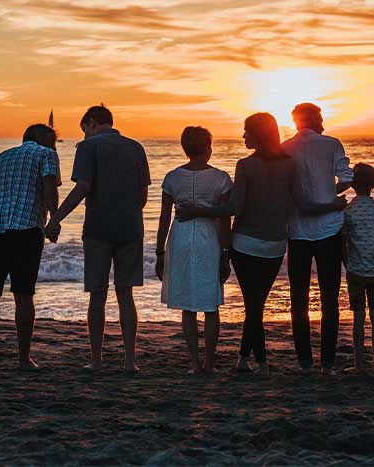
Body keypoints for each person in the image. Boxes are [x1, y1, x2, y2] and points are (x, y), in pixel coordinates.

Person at [176, 113, 319, 376]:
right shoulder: (289, 164)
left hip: (245, 245)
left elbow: (233, 207)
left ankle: (262, 363)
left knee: (254, 306)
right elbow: (302, 202)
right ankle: (243, 359)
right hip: (275, 245)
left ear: (258, 135)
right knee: (256, 304)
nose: (243, 136)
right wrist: (332, 204)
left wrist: (197, 210)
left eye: (246, 131)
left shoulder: (245, 165)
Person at [51, 105, 151, 373]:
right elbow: (143, 196)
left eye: (84, 130)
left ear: (92, 123)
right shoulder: (136, 147)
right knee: (125, 294)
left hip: (98, 228)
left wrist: (56, 217)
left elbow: (82, 187)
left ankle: (96, 360)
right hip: (131, 227)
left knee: (98, 294)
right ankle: (130, 361)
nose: (83, 136)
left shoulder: (89, 148)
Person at [0, 124, 61, 371]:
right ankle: (23, 358)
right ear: (38, 137)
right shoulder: (46, 154)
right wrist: (54, 219)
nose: (54, 145)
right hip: (26, 229)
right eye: (53, 140)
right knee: (24, 295)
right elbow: (49, 184)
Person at [282, 102, 352, 375]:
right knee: (329, 296)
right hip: (329, 229)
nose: (324, 121)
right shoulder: (332, 144)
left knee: (298, 296)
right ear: (313, 118)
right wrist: (328, 193)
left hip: (297, 231)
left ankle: (304, 361)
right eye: (321, 116)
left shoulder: (285, 148)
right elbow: (347, 178)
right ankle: (327, 362)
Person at [155, 127, 231, 375]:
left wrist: (159, 252)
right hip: (209, 239)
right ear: (208, 148)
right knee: (210, 305)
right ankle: (209, 363)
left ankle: (194, 364)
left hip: (181, 238)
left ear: (184, 148)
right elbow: (225, 219)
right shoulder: (221, 178)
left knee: (188, 305)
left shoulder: (172, 178)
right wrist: (226, 253)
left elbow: (164, 218)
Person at [342, 163, 374, 373]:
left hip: (355, 270)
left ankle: (359, 364)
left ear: (352, 184)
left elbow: (344, 243)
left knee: (358, 317)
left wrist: (347, 264)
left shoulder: (348, 210)